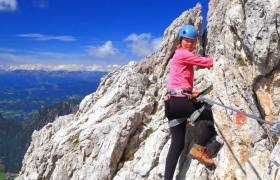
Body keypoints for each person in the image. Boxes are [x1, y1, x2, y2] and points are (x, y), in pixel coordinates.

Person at [164, 24, 217, 180]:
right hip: (179, 101)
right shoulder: (182, 53)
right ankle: (199, 148)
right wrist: (220, 61)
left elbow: (178, 80)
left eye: (191, 41)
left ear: (195, 43)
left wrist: (188, 92)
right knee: (210, 115)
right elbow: (205, 62)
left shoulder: (178, 55)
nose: (189, 43)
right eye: (186, 40)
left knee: (178, 144)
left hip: (171, 103)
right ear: (181, 41)